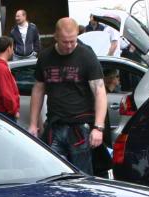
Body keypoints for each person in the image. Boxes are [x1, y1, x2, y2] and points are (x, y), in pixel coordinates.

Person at [29, 18, 108, 177]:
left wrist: (98, 127)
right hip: (54, 124)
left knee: (82, 177)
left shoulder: (86, 55)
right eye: (65, 42)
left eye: (73, 40)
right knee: (52, 175)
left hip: (80, 127)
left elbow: (100, 91)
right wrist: (33, 124)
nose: (70, 45)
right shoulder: (45, 57)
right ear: (56, 37)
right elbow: (38, 89)